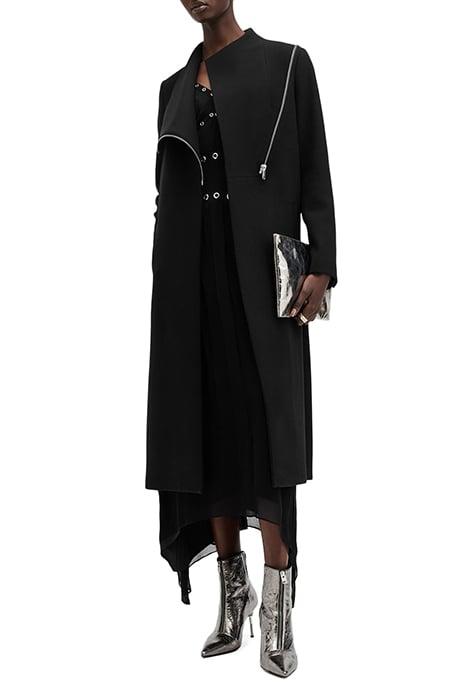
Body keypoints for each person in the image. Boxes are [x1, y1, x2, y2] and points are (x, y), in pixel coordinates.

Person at [146, 0, 337, 678]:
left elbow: (313, 167)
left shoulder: (286, 64)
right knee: (205, 429)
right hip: (188, 281)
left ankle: (278, 608)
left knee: (268, 433)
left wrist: (322, 263)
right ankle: (233, 594)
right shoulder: (171, 87)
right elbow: (166, 193)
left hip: (260, 280)